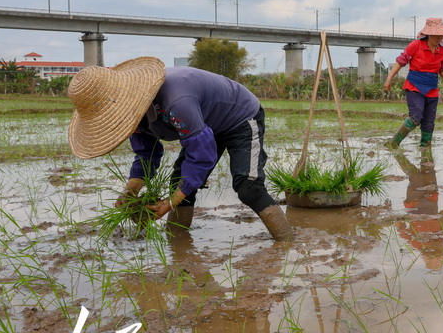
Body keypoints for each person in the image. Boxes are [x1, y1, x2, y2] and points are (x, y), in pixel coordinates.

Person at [66, 57, 293, 241]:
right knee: (180, 183)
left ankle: (287, 243)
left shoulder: (176, 101)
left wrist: (169, 203)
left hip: (239, 117)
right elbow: (147, 154)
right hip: (203, 123)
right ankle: (179, 242)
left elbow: (201, 156)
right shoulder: (133, 117)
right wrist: (130, 193)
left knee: (248, 187)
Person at [383, 17, 443, 148]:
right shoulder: (416, 45)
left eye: (441, 35)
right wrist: (389, 79)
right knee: (416, 117)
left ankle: (425, 151)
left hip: (432, 89)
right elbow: (400, 62)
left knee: (429, 123)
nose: (439, 38)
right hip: (414, 86)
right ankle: (393, 144)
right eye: (436, 35)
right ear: (428, 34)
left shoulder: (442, 51)